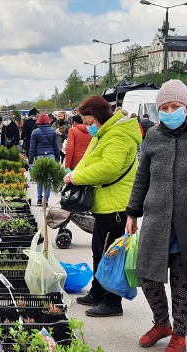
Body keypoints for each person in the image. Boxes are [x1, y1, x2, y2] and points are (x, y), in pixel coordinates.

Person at [126, 80, 187, 352]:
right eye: (164, 108)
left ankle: (180, 335)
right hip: (156, 220)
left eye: (175, 106)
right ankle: (161, 323)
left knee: (182, 284)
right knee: (148, 278)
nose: (170, 112)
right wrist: (133, 212)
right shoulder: (153, 136)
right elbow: (141, 176)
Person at [65, 96, 141, 317]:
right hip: (105, 202)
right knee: (99, 251)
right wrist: (74, 172)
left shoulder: (118, 135)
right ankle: (98, 292)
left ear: (99, 117)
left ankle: (112, 302)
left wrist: (76, 178)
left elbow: (109, 167)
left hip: (116, 206)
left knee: (111, 255)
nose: (87, 127)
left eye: (89, 122)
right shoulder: (106, 133)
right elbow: (90, 159)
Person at [29, 113, 60, 206]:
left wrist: (30, 161)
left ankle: (39, 199)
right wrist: (58, 158)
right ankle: (46, 200)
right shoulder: (52, 131)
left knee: (40, 178)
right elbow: (56, 146)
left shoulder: (35, 132)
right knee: (49, 179)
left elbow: (32, 148)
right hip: (51, 155)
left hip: (39, 156)